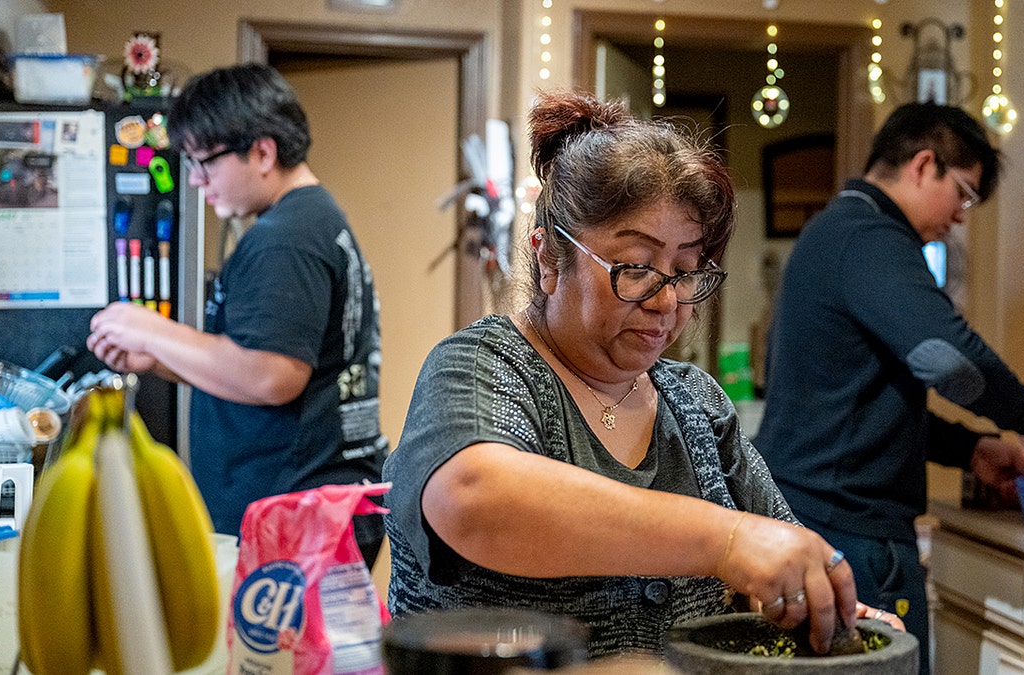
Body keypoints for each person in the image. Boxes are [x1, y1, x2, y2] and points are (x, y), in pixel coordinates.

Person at [381, 90, 901, 659]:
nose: (666, 301)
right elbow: (473, 499)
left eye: (684, 270)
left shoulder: (694, 403)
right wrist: (724, 540)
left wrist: (809, 603)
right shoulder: (482, 366)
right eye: (635, 268)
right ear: (551, 258)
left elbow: (771, 563)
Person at [753, 102, 1024, 674]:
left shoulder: (834, 231)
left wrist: (971, 449)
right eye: (965, 194)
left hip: (815, 515)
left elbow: (861, 399)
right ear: (924, 165)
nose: (960, 217)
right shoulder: (871, 237)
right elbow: (946, 357)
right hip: (850, 533)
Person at [86, 63, 388, 566]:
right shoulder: (312, 219)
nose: (197, 181)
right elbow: (252, 364)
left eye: (205, 163)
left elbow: (273, 376)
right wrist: (156, 358)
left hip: (294, 509)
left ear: (262, 151)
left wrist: (153, 329)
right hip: (314, 502)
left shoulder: (286, 238)